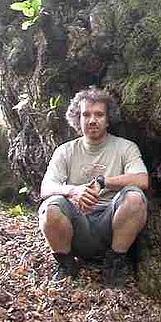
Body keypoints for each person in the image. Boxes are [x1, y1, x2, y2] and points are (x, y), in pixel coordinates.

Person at [39, 86, 148, 286]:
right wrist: (73, 191)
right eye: (86, 114)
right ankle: (65, 265)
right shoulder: (65, 151)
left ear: (108, 120)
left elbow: (142, 179)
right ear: (77, 119)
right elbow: (46, 187)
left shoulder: (125, 147)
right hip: (77, 227)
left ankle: (115, 263)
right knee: (50, 207)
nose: (92, 120)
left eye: (99, 114)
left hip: (111, 226)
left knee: (134, 196)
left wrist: (103, 181)